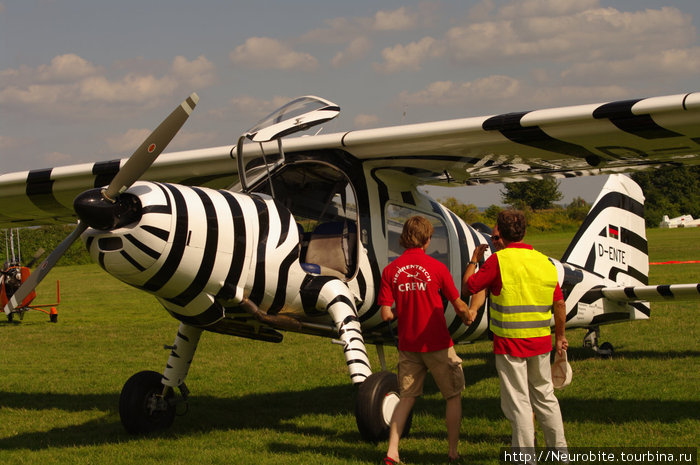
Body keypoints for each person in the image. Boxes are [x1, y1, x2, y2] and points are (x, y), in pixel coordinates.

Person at [462, 210, 568, 463]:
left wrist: (474, 261)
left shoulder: (499, 261)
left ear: (500, 231)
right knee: (545, 397)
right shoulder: (545, 261)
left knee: (519, 403)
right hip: (540, 342)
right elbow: (559, 305)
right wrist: (560, 336)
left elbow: (469, 286)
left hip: (509, 343)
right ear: (523, 232)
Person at [378, 215, 475, 464]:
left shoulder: (390, 270)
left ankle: (392, 452)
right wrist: (467, 315)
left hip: (408, 346)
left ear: (405, 237)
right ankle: (453, 453)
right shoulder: (437, 268)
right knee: (452, 396)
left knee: (407, 398)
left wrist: (402, 307)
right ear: (427, 239)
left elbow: (387, 312)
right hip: (438, 344)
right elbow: (458, 303)